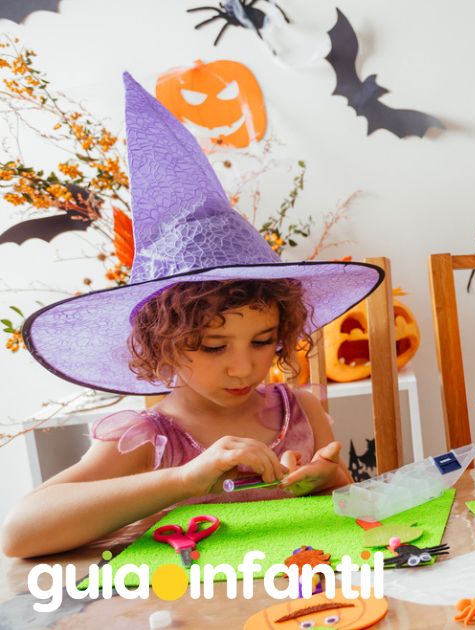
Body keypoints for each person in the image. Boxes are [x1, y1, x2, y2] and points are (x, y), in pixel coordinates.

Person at [0, 74, 382, 558]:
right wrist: (184, 479)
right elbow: (18, 534)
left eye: (263, 341)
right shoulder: (147, 439)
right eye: (213, 346)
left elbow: (345, 503)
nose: (244, 367)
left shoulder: (300, 411)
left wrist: (332, 480)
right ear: (161, 343)